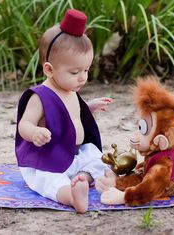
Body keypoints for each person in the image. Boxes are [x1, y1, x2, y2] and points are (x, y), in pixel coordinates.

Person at [15, 9, 113, 213]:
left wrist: (89, 108)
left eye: (86, 70)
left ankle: (83, 178)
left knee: (100, 159)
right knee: (48, 180)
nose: (82, 78)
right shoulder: (40, 96)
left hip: (74, 154)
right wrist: (34, 133)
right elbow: (24, 124)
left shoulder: (68, 88)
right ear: (49, 69)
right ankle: (70, 195)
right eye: (75, 72)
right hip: (48, 158)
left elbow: (72, 115)